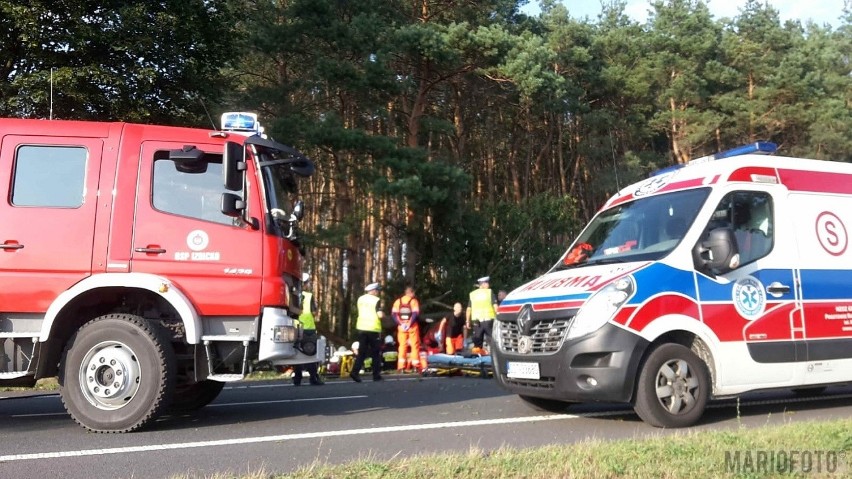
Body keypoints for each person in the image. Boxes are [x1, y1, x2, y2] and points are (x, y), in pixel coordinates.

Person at [292, 273, 323, 386]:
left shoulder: (292, 293)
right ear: (304, 283)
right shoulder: (309, 296)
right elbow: (314, 312)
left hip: (294, 327)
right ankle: (313, 377)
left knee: (296, 352)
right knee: (310, 353)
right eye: (308, 282)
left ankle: (297, 377)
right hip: (308, 328)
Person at [350, 282, 385, 382]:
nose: (378, 293)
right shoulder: (376, 300)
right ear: (373, 291)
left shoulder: (360, 299)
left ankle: (355, 372)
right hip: (373, 328)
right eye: (377, 291)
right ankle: (376, 375)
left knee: (362, 352)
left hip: (361, 328)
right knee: (376, 353)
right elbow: (380, 315)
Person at [392, 285, 423, 372]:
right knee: (415, 345)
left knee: (402, 346)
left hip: (401, 327)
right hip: (412, 326)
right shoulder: (414, 301)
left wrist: (401, 324)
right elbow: (415, 313)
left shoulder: (398, 301)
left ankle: (401, 367)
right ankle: (416, 366)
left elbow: (394, 314)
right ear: (411, 292)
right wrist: (409, 324)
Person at [466, 276, 497, 355]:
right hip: (488, 320)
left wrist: (467, 321)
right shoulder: (489, 292)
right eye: (487, 283)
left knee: (477, 342)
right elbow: (495, 306)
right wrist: (499, 317)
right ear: (482, 284)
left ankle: (477, 359)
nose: (488, 285)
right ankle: (494, 357)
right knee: (492, 341)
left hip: (477, 322)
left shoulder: (472, 294)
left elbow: (469, 309)